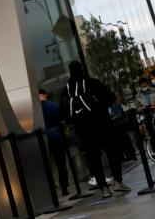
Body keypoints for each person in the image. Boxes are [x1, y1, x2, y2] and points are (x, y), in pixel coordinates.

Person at [63, 61, 130, 198]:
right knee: (113, 152)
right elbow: (110, 98)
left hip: (83, 130)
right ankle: (117, 182)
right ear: (82, 69)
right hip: (103, 125)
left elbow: (65, 113)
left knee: (94, 158)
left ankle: (104, 188)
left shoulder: (67, 90)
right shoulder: (93, 83)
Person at [39, 89, 69, 197]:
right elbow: (63, 120)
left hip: (42, 140)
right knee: (61, 163)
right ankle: (64, 187)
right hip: (56, 137)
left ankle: (50, 191)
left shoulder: (35, 110)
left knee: (46, 166)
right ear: (46, 95)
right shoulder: (54, 106)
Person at [135, 77, 155, 151]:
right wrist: (141, 107)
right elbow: (137, 106)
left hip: (154, 110)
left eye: (144, 84)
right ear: (140, 86)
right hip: (146, 113)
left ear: (147, 83)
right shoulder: (138, 95)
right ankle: (153, 147)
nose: (143, 86)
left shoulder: (153, 90)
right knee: (150, 131)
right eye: (141, 85)